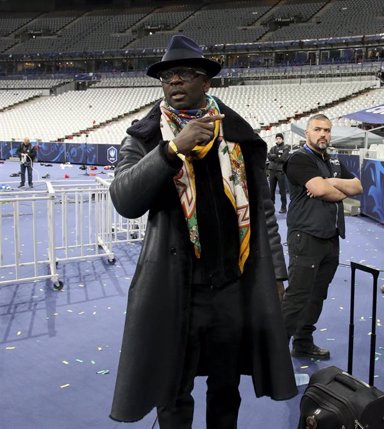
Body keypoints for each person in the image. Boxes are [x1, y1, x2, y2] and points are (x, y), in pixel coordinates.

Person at [108, 34, 296, 428]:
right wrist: (172, 149)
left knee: (226, 387)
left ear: (206, 82)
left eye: (185, 74)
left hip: (231, 285)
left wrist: (277, 272)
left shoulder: (238, 136)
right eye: (167, 76)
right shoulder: (145, 136)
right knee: (172, 391)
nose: (174, 81)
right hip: (174, 288)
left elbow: (262, 209)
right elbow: (125, 200)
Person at [281, 113, 362, 360]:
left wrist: (330, 182)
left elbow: (358, 187)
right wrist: (333, 189)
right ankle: (274, 351)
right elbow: (319, 189)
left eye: (327, 130)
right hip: (305, 237)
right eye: (317, 129)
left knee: (317, 295)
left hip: (331, 237)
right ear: (307, 133)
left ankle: (303, 342)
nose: (323, 134)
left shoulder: (334, 162)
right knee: (297, 296)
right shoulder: (298, 158)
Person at [267, 132, 290, 213]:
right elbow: (269, 156)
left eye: (279, 138)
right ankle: (271, 208)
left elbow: (283, 159)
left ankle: (284, 207)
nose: (278, 140)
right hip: (272, 170)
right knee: (271, 190)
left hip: (280, 171)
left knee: (282, 191)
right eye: (277, 138)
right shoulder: (273, 148)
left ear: (282, 139)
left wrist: (274, 156)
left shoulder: (286, 148)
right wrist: (277, 156)